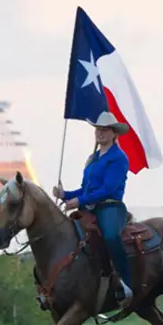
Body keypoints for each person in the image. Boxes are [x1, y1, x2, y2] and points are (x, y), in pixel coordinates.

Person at [52, 111, 135, 305]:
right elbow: (86, 189)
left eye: (105, 129)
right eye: (98, 129)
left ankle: (126, 283)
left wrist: (79, 202)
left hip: (110, 207)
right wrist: (66, 195)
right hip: (90, 207)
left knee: (111, 236)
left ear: (114, 133)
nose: (100, 133)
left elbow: (108, 189)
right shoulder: (93, 158)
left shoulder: (119, 158)